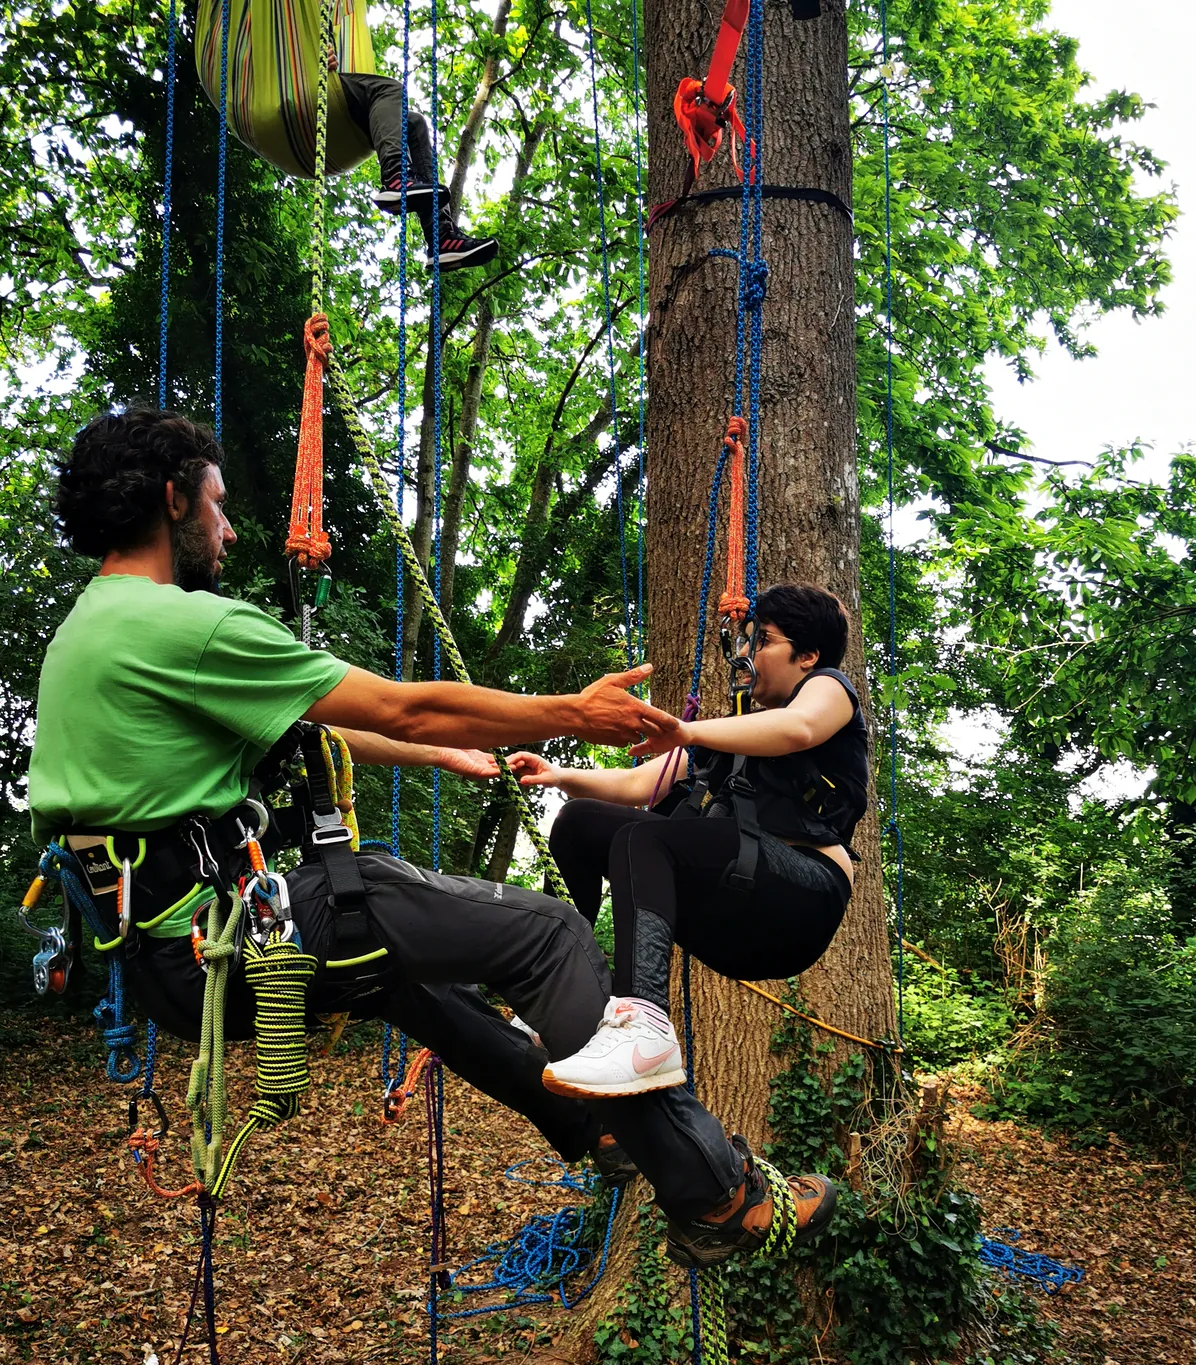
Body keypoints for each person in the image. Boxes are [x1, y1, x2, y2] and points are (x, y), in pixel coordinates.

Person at [27, 408, 835, 1268]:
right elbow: (398, 702)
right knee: (545, 933)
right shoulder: (186, 628)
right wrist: (573, 714)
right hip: (220, 940)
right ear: (172, 500)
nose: (228, 527)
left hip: (167, 968)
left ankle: (595, 1128)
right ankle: (719, 1194)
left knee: (399, 977)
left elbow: (312, 723)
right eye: (217, 504)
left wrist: (449, 756)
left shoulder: (90, 632)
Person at [507, 584, 867, 1106]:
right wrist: (556, 773)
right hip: (741, 903)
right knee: (578, 822)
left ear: (807, 655)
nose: (747, 655)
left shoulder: (829, 689)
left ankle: (644, 1024)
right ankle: (564, 992)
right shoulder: (734, 739)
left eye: (762, 641)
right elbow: (637, 786)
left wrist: (690, 731)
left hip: (803, 900)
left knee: (647, 836)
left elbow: (798, 728)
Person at [326, 46, 499, 270]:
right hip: (303, 87)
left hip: (340, 108)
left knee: (415, 124)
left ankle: (441, 238)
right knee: (388, 89)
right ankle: (395, 178)